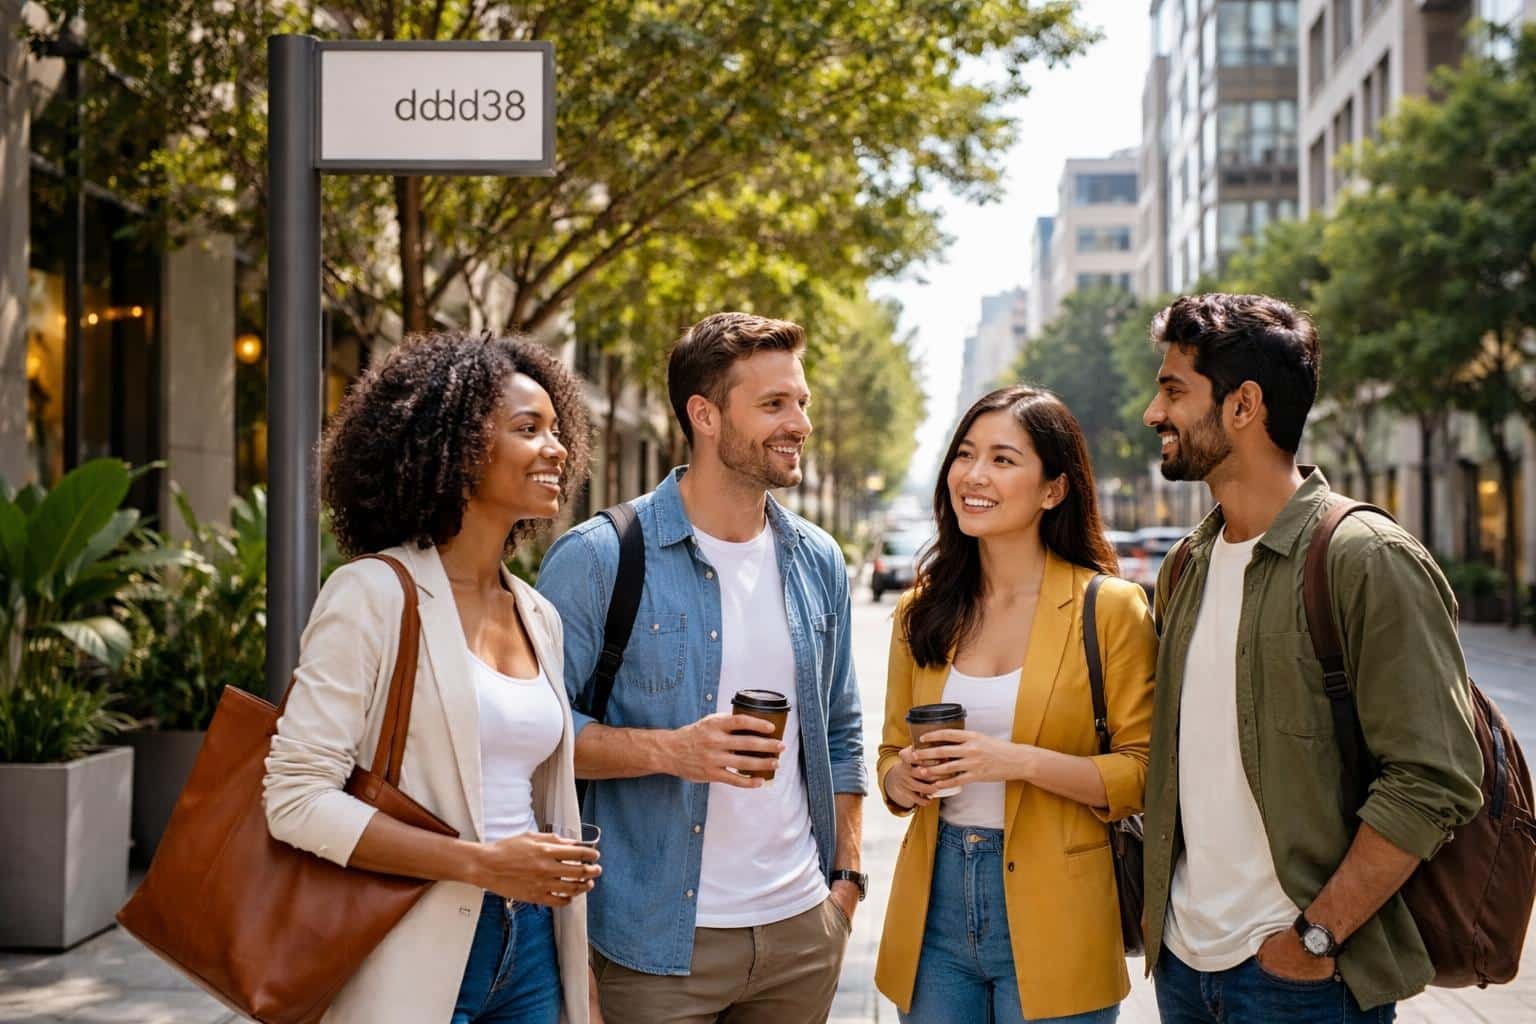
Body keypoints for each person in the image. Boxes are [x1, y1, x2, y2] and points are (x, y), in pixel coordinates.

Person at [1139, 294, 1485, 1024]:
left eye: (1173, 390)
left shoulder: (1366, 559)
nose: (1153, 412)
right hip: (1182, 970)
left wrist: (1315, 937)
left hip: (1303, 985)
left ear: (1244, 406)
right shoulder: (1185, 569)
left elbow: (1434, 776)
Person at [536, 312, 866, 1024]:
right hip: (649, 944)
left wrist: (845, 884)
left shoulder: (818, 560)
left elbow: (840, 730)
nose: (800, 422)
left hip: (800, 931)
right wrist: (672, 750)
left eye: (802, 402)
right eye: (775, 404)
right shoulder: (598, 558)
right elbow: (540, 738)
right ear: (705, 415)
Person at [263, 330, 601, 1024]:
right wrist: (480, 863)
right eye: (528, 429)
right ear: (456, 449)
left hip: (532, 941)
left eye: (557, 429)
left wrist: (578, 974)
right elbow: (295, 798)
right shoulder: (373, 595)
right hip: (409, 939)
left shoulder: (538, 614)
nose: (557, 448)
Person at [874, 384, 1157, 1024]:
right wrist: (903, 777)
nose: (975, 475)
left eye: (1003, 459)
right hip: (936, 908)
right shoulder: (921, 611)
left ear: (1053, 488)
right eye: (966, 455)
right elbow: (891, 752)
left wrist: (1012, 761)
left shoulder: (1108, 606)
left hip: (1060, 906)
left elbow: (1143, 773)